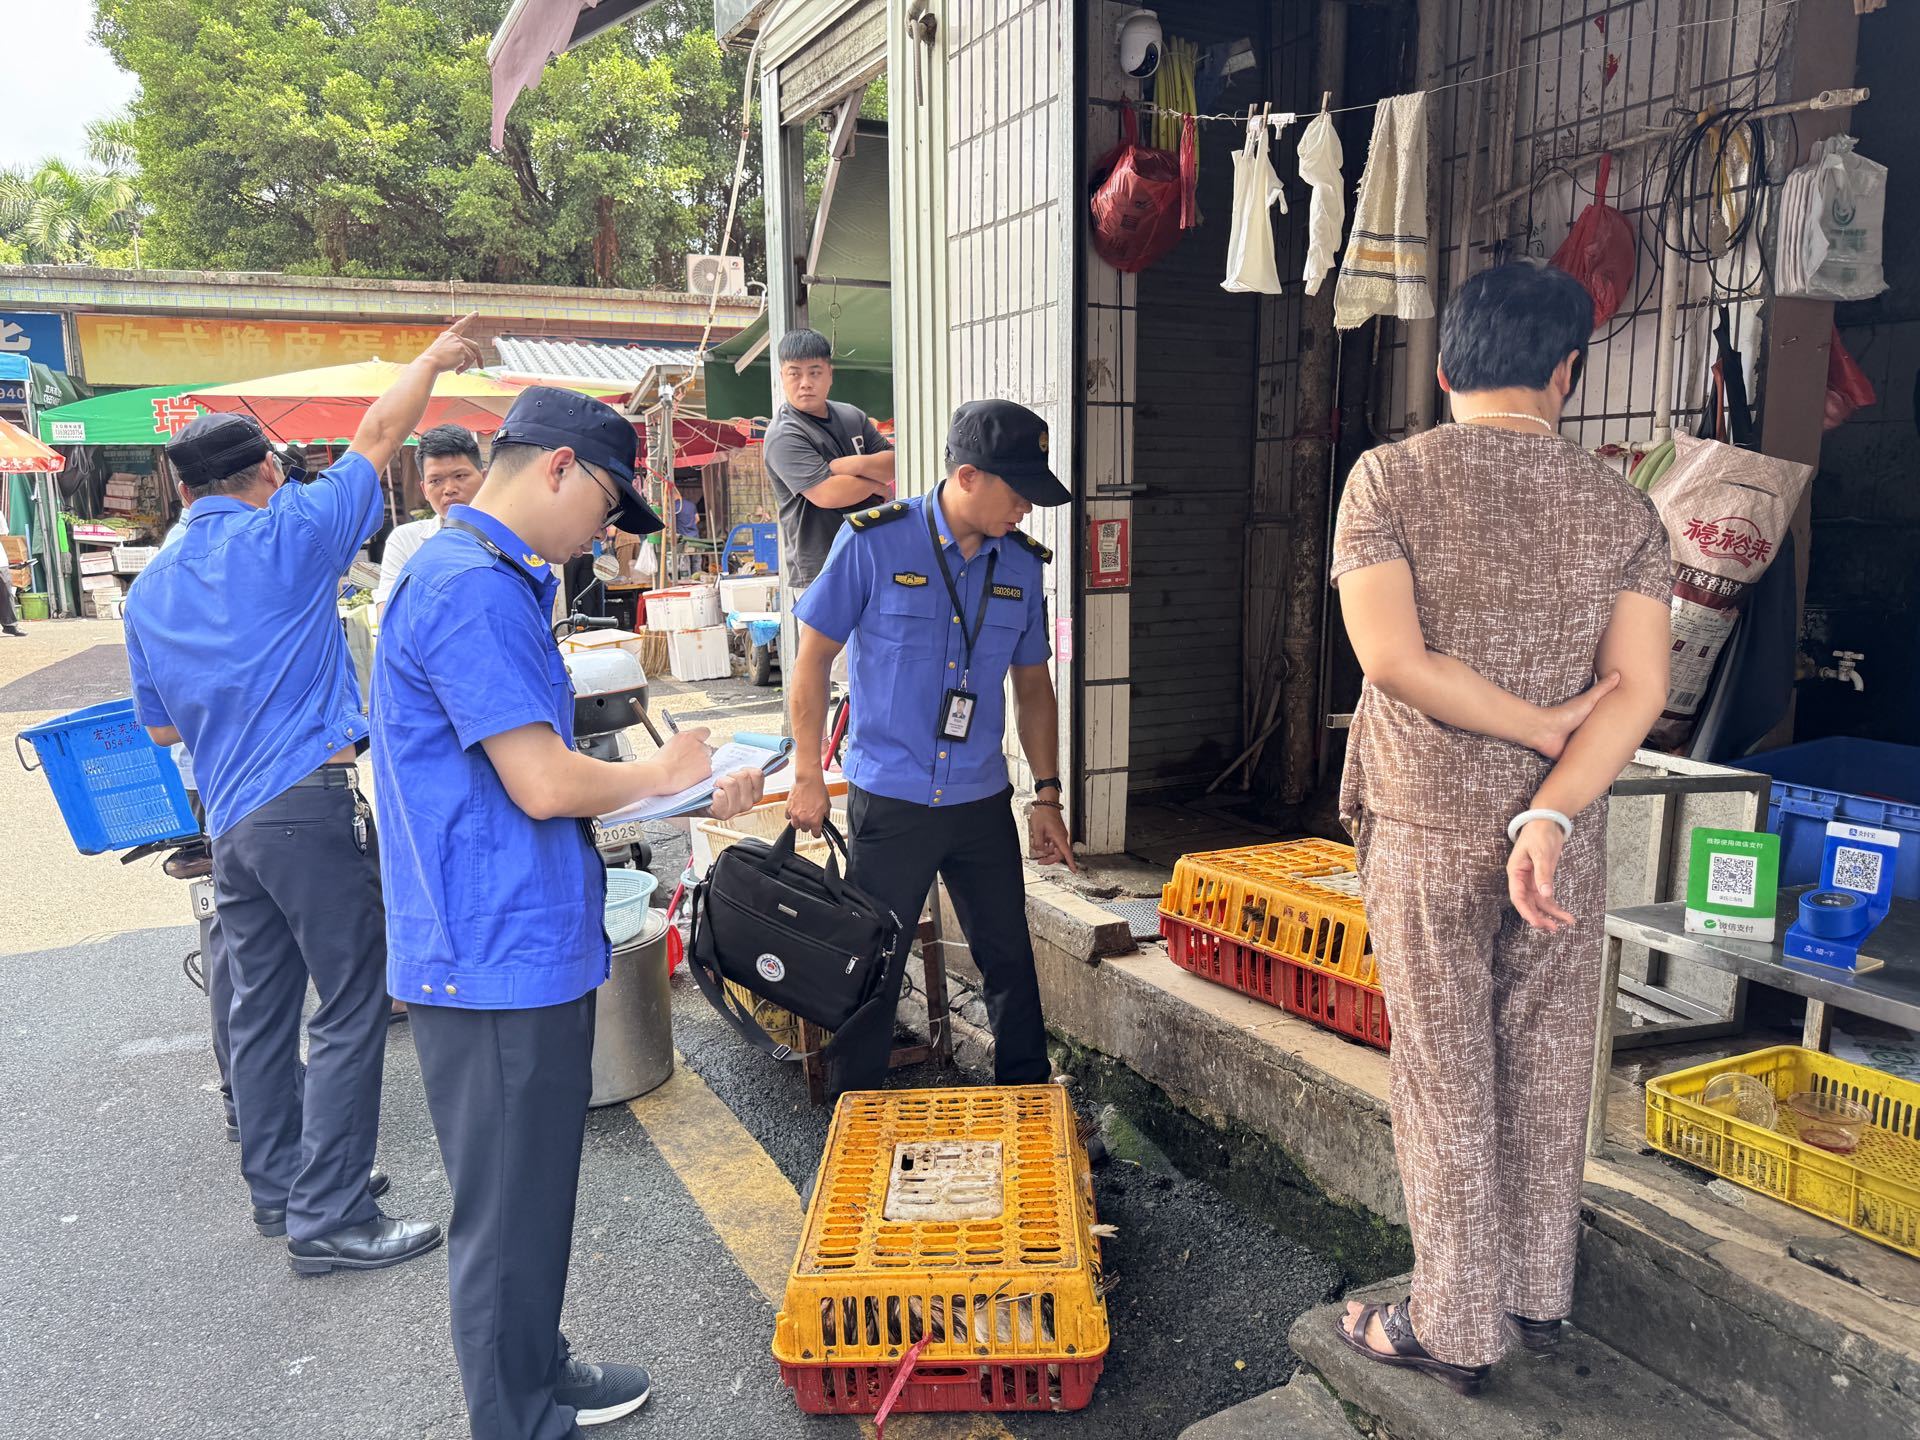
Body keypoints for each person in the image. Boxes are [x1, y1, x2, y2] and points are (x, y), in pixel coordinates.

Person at [372, 385, 766, 1440]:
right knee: (506, 1213)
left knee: (530, 1195)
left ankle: (538, 1372)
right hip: (488, 945)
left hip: (510, 934)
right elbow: (543, 782)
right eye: (605, 503)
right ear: (554, 466)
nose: (606, 529)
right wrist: (665, 773)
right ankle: (517, 1418)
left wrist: (672, 784)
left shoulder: (491, 575)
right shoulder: (470, 588)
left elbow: (524, 774)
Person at [1329, 262, 1671, 1394]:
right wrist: (1549, 803)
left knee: (1444, 1072)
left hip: (1425, 823)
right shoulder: (1624, 512)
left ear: (1443, 370)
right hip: (1559, 839)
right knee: (1544, 1060)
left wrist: (1520, 733)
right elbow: (1636, 691)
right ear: (1567, 374)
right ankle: (1529, 1283)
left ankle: (1457, 1323)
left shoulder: (1387, 480)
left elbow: (1393, 662)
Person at [124, 315, 485, 1275]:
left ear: (183, 488)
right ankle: (331, 1217)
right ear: (267, 475)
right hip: (306, 803)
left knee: (261, 1009)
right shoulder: (287, 534)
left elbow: (161, 727)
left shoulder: (148, 588)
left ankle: (283, 1195)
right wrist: (434, 359)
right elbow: (377, 436)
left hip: (229, 819)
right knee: (354, 999)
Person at [785, 399, 1076, 1097]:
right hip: (892, 799)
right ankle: (857, 1112)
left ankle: (1028, 1101)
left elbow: (1033, 687)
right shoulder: (875, 542)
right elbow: (811, 659)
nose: (1028, 510)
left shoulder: (1022, 567)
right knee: (875, 965)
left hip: (980, 801)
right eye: (1018, 492)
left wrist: (1046, 794)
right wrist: (807, 773)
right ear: (968, 476)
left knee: (1008, 959)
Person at [764, 328, 894, 680]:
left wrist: (845, 467)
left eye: (815, 372)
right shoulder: (784, 435)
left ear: (830, 374)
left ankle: (858, 734)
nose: (805, 382)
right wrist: (874, 484)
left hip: (873, 556)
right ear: (782, 376)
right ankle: (824, 738)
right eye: (795, 373)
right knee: (828, 668)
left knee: (870, 661)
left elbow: (893, 463)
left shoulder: (851, 416)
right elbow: (825, 495)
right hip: (822, 564)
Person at [375, 423, 485, 620]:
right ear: (424, 489)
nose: (449, 488)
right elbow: (390, 616)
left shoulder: (511, 535)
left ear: (484, 478)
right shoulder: (406, 541)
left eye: (460, 476)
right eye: (436, 481)